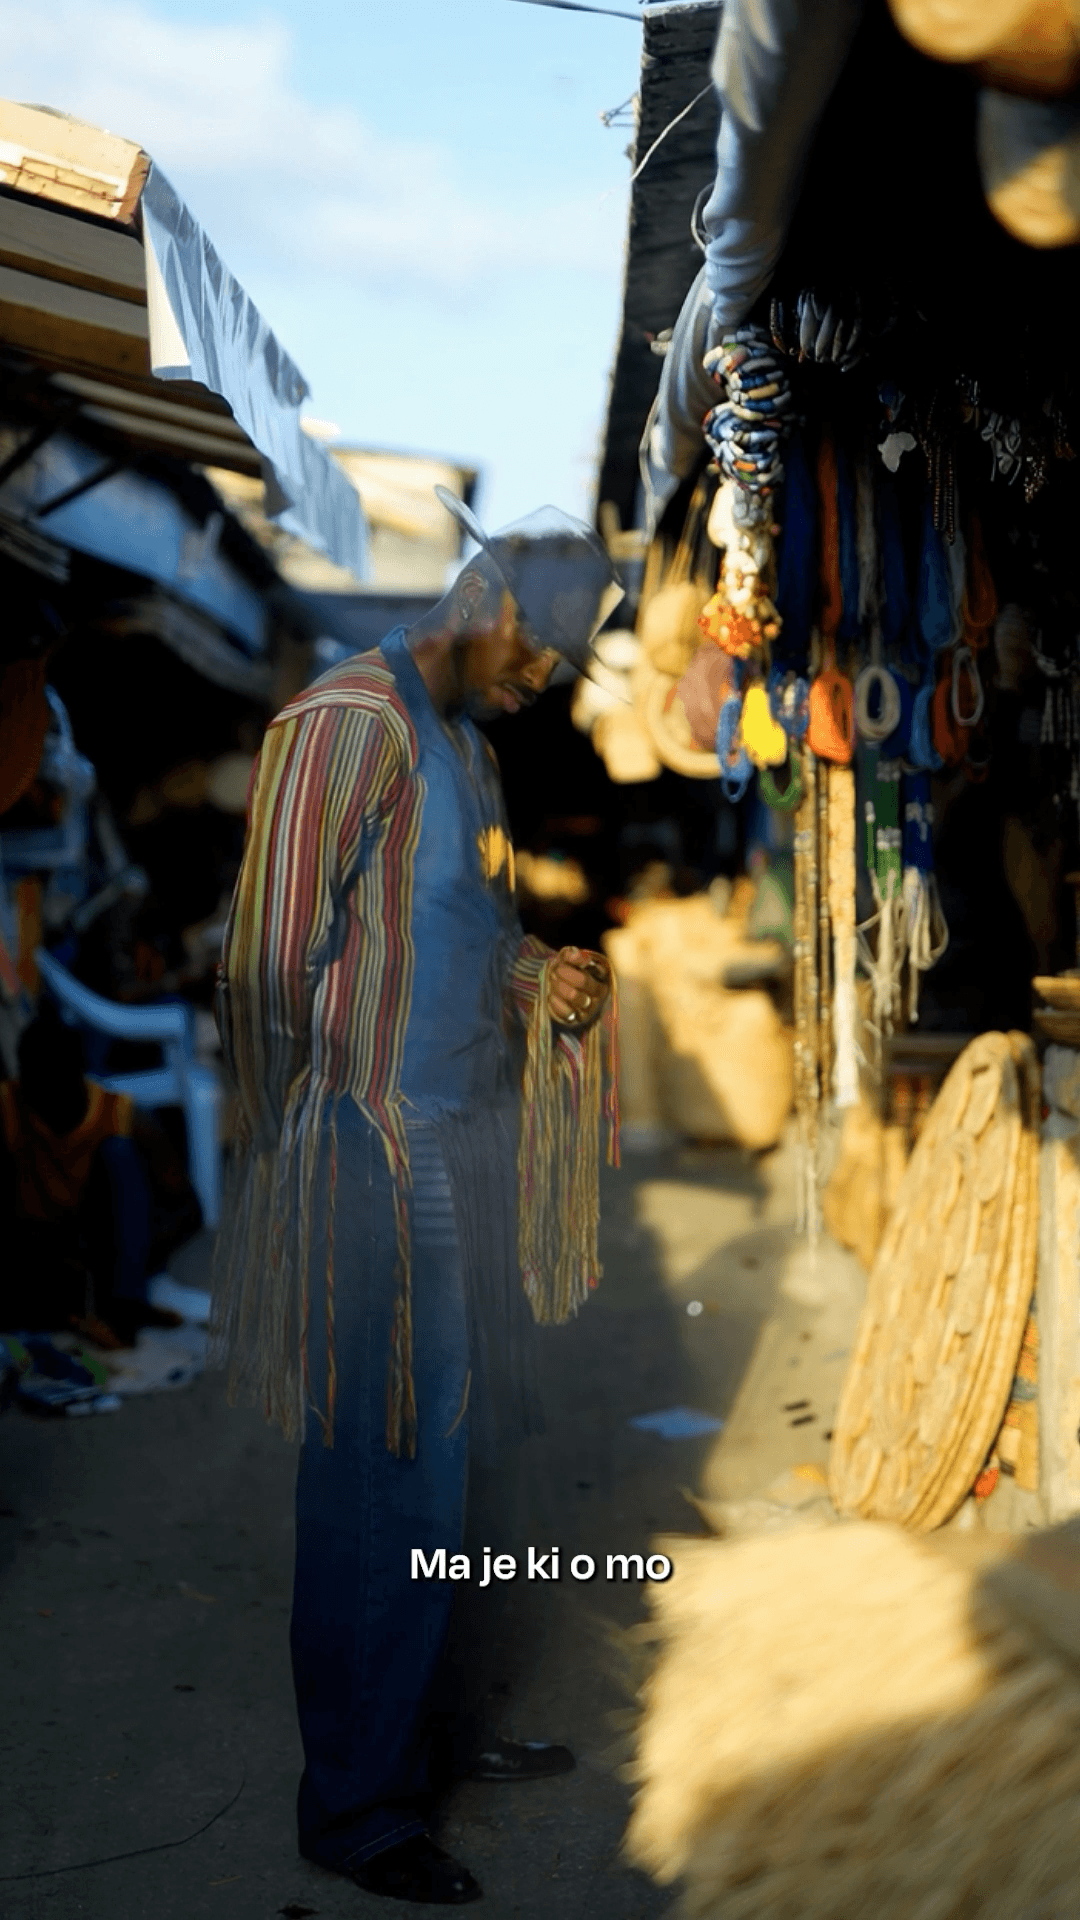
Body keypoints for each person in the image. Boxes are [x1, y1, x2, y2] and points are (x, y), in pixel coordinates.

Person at [213, 492, 623, 1905]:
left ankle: (420, 1737)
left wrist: (540, 979)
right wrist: (296, 1145)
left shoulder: (469, 753)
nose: (547, 681)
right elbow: (266, 963)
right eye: (545, 650)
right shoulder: (347, 723)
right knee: (375, 1477)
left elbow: (466, 936)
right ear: (488, 602)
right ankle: (360, 1804)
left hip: (459, 1149)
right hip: (367, 1156)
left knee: (451, 1467)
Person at [0, 1000, 202, 1342]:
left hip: (101, 1245)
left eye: (56, 1082)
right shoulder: (10, 1106)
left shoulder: (121, 1116)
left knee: (118, 1153)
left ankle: (122, 1307)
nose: (46, 1096)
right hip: (39, 1247)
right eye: (35, 1084)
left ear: (79, 1073)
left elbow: (189, 1211)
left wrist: (126, 1256)